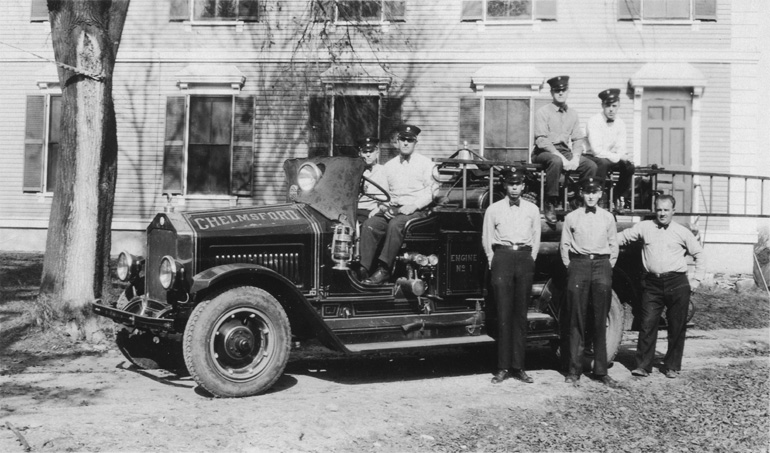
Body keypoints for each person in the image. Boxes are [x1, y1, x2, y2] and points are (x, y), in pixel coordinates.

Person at [617, 195, 705, 379]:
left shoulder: (682, 232)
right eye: (659, 209)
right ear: (654, 210)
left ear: (673, 211)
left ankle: (672, 366)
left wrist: (696, 281)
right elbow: (623, 237)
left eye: (666, 210)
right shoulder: (645, 227)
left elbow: (699, 254)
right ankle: (642, 366)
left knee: (676, 326)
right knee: (647, 323)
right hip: (652, 284)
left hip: (677, 283)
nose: (662, 213)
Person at [482, 168, 541, 384]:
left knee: (520, 315)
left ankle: (520, 367)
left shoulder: (532, 209)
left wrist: (530, 258)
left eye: (518, 184)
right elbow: (487, 238)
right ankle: (503, 367)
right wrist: (493, 259)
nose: (514, 187)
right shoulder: (494, 209)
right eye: (510, 184)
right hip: (502, 257)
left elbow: (536, 237)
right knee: (504, 314)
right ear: (505, 186)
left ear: (523, 186)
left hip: (524, 257)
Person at [360, 125, 438, 285]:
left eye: (410, 140)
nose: (406, 143)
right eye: (403, 139)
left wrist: (414, 205)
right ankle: (363, 268)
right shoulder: (390, 166)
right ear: (398, 141)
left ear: (416, 142)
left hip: (418, 211)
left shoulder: (426, 164)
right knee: (370, 224)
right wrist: (383, 207)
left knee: (395, 225)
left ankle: (384, 270)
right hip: (394, 209)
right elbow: (382, 194)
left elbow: (433, 191)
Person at [560, 177, 619, 387]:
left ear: (601, 194)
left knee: (599, 318)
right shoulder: (572, 217)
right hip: (579, 266)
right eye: (587, 192)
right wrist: (573, 266)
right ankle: (574, 370)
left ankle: (601, 370)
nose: (591, 196)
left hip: (601, 266)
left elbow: (614, 245)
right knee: (576, 319)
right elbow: (564, 246)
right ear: (582, 194)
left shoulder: (608, 218)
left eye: (595, 192)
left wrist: (607, 265)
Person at [532, 75, 597, 224]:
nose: (560, 93)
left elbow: (577, 139)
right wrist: (561, 158)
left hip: (564, 150)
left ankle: (578, 200)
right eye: (556, 91)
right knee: (556, 161)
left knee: (590, 165)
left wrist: (575, 157)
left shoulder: (573, 114)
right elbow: (541, 139)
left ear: (568, 91)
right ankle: (550, 202)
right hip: (544, 151)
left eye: (563, 90)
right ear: (551, 93)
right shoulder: (543, 112)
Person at [585, 88, 636, 214]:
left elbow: (621, 148)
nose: (611, 109)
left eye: (614, 106)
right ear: (602, 105)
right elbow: (597, 150)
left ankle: (617, 196)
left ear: (619, 106)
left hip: (609, 155)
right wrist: (618, 156)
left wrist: (623, 157)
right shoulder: (594, 121)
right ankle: (600, 197)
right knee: (603, 163)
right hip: (591, 155)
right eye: (608, 106)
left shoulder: (620, 123)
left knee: (629, 167)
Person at [356, 136, 385, 225]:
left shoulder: (384, 171)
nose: (368, 155)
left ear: (377, 153)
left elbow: (390, 196)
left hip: (372, 211)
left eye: (371, 151)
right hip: (354, 211)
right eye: (365, 152)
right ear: (360, 153)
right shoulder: (354, 171)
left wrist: (379, 209)